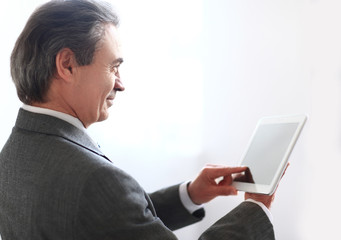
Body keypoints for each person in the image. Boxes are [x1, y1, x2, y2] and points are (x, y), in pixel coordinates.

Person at [0, 0, 279, 239]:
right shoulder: (95, 179)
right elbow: (103, 205)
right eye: (113, 67)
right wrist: (256, 208)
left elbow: (108, 223)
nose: (120, 84)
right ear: (67, 65)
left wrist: (190, 194)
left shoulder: (12, 154)